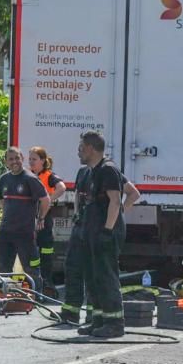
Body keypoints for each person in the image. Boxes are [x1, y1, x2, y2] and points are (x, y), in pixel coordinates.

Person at [63, 131, 140, 337]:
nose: (78, 151)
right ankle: (98, 320)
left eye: (81, 147)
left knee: (106, 276)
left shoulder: (108, 170)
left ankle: (115, 323)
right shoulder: (90, 171)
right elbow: (133, 191)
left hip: (105, 232)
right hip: (90, 231)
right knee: (93, 276)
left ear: (90, 148)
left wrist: (109, 228)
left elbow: (116, 201)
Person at [0, 147, 49, 290]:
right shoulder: (3, 179)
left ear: (22, 158)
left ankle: (36, 297)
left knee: (31, 269)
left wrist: (40, 218)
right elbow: (1, 201)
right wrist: (7, 215)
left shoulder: (30, 178)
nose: (14, 162)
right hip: (5, 232)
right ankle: (4, 297)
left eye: (17, 158)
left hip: (25, 233)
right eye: (10, 159)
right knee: (3, 269)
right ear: (6, 162)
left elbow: (45, 200)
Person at [28, 146, 66, 294]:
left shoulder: (48, 176)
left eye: (34, 159)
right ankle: (33, 280)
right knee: (31, 251)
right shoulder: (28, 175)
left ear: (43, 161)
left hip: (44, 217)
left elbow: (61, 187)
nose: (31, 162)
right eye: (30, 159)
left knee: (46, 251)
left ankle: (46, 280)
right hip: (29, 217)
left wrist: (49, 199)